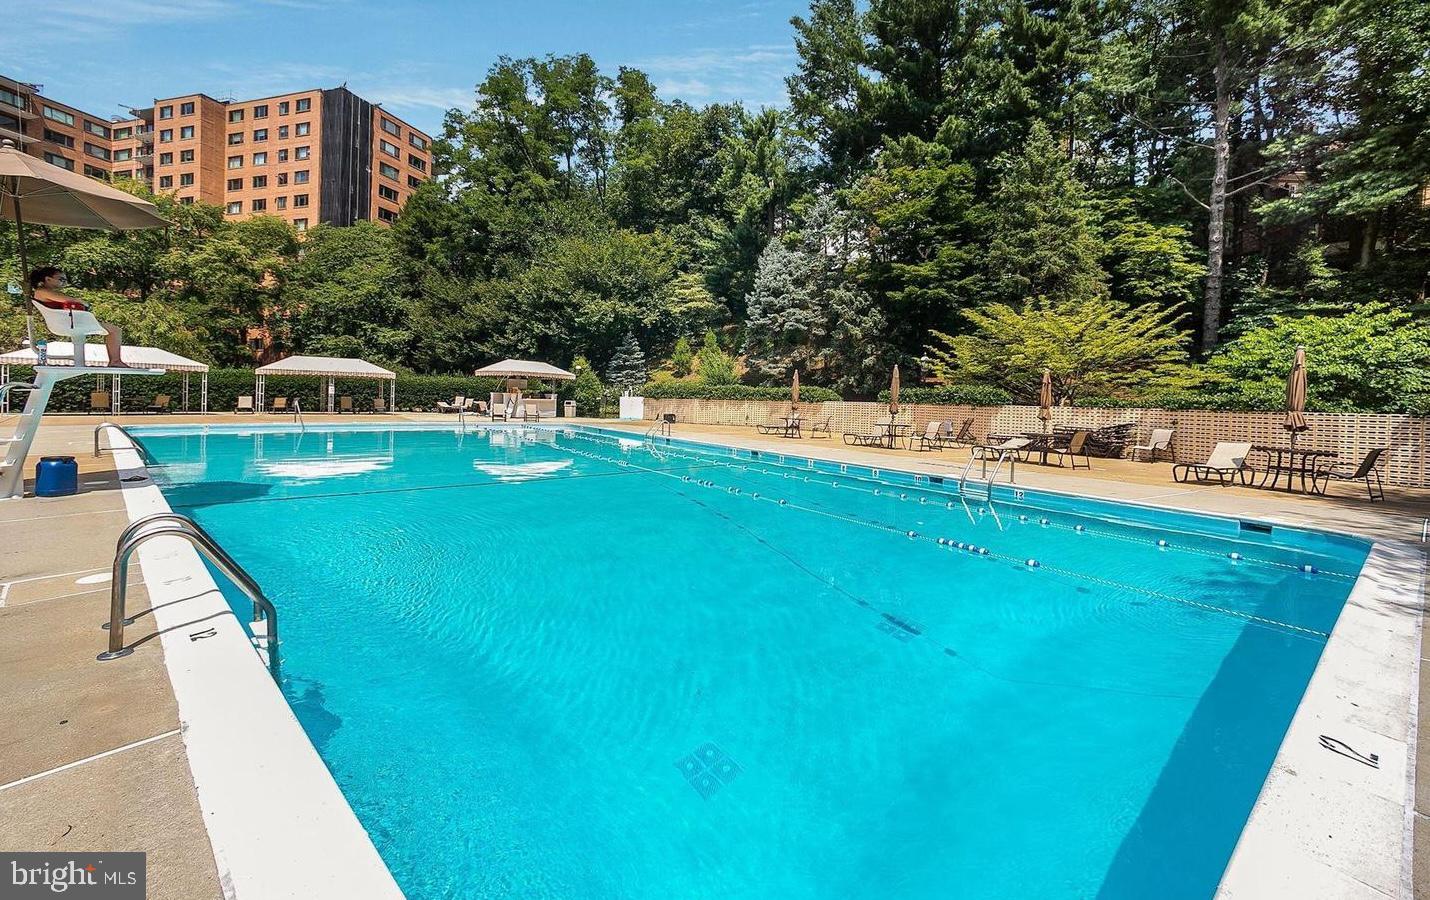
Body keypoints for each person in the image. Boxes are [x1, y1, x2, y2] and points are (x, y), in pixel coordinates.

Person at [28, 267, 129, 368]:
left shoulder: (43, 292)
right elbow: (71, 300)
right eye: (61, 279)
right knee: (115, 330)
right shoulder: (41, 291)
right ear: (48, 279)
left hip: (68, 323)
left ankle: (114, 360)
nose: (64, 283)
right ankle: (115, 360)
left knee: (113, 330)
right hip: (69, 324)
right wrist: (84, 303)